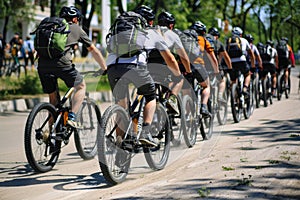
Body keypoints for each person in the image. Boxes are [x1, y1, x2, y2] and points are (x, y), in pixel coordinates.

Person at [106, 8, 182, 147]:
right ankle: (146, 131)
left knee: (121, 108)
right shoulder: (152, 33)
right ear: (150, 21)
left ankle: (120, 144)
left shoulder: (119, 28)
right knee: (150, 95)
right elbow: (170, 59)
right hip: (135, 67)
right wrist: (177, 75)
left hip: (113, 68)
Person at [37, 6, 107, 128]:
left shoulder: (50, 28)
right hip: (62, 65)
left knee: (53, 100)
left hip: (42, 66)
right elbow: (93, 50)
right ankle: (72, 117)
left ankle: (50, 135)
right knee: (80, 85)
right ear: (75, 19)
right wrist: (104, 67)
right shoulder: (76, 29)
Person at [190, 21, 220, 117]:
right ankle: (203, 106)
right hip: (198, 66)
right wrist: (216, 71)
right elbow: (212, 57)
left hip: (184, 66)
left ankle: (186, 114)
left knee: (187, 89)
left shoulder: (185, 38)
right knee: (206, 86)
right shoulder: (203, 40)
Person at [226, 27, 255, 97]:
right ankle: (245, 88)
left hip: (232, 62)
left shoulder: (229, 41)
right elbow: (251, 54)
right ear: (241, 35)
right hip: (242, 61)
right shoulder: (244, 40)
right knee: (247, 74)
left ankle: (233, 94)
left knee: (233, 80)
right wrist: (253, 66)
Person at [207, 27, 232, 102]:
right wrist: (230, 68)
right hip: (214, 66)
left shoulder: (203, 39)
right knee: (222, 80)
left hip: (202, 65)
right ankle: (220, 96)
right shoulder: (218, 42)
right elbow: (226, 57)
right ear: (217, 36)